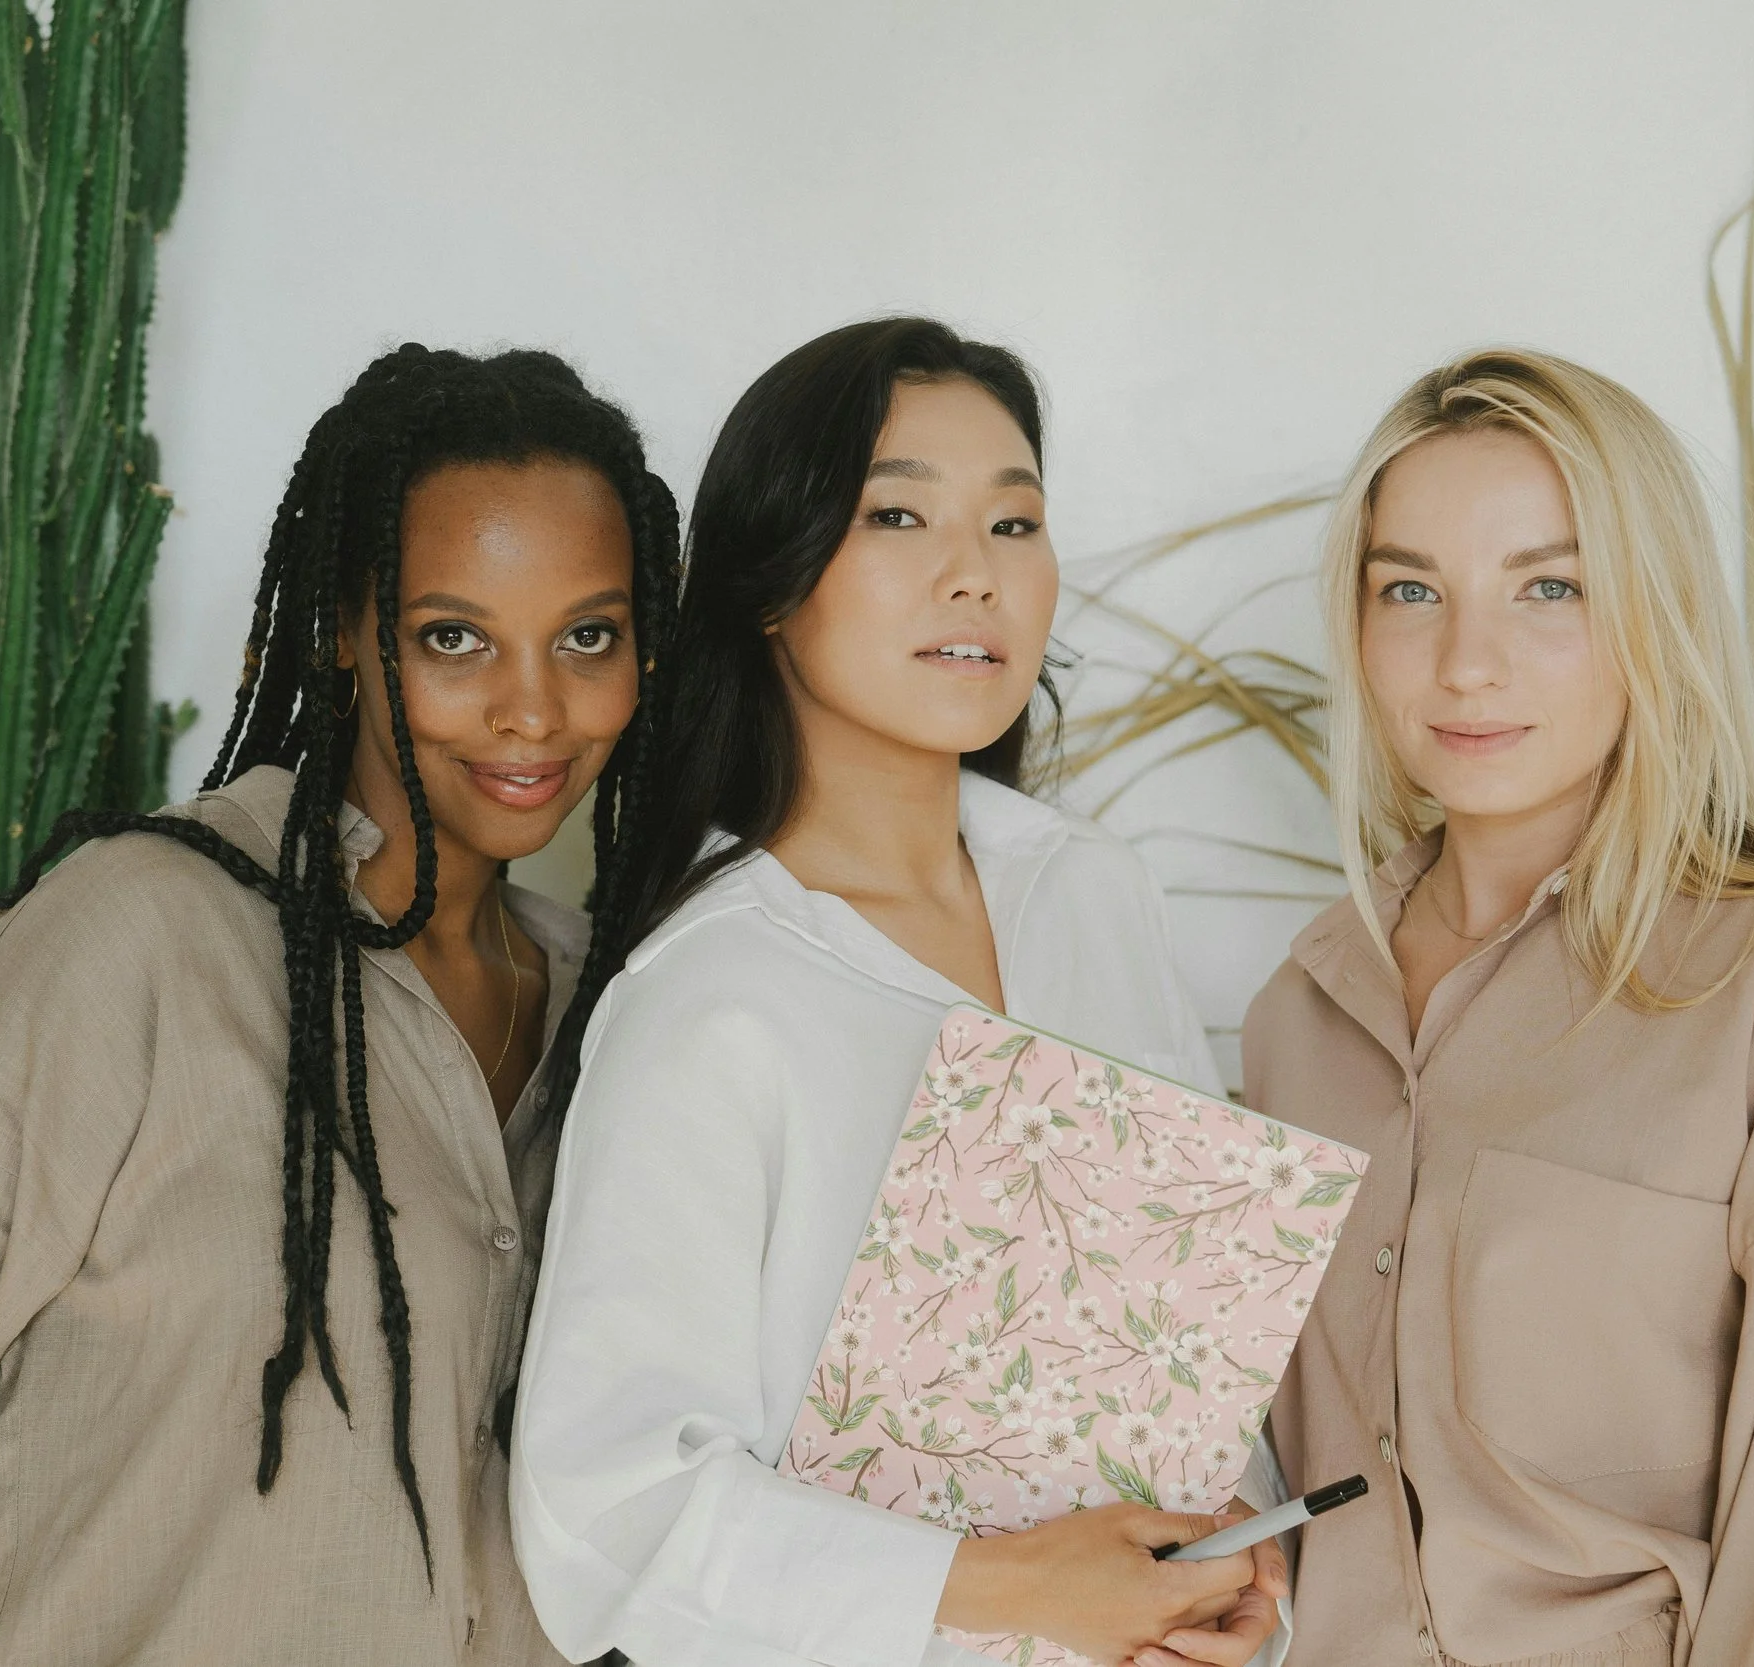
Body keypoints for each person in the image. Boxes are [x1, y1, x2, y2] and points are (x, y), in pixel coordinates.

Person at [0, 344, 681, 1666]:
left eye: (588, 637)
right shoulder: (133, 939)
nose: (534, 710)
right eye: (452, 637)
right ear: (342, 631)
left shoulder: (613, 1016)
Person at [509, 317, 1289, 1667]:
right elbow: (609, 1510)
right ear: (772, 582)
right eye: (898, 515)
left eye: (1014, 523)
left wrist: (1240, 1567)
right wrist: (1009, 1586)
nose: (974, 574)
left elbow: (1202, 1355)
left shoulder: (1095, 897)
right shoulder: (714, 993)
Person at [1242, 348, 1754, 1666]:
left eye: (1550, 586)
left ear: (1656, 609)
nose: (1467, 662)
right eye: (1411, 589)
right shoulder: (1297, 1018)